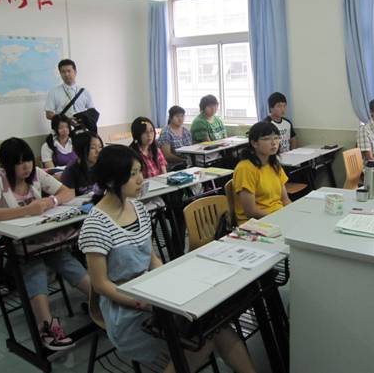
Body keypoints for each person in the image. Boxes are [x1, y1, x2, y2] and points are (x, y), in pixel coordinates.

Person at [78, 145, 257, 372]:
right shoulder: (96, 224)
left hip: (152, 296)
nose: (141, 179)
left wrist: (169, 286)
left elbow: (151, 258)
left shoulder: (138, 208)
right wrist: (139, 302)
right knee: (204, 336)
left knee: (215, 325)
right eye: (133, 174)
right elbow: (101, 284)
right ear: (112, 181)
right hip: (125, 312)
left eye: (140, 171)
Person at [0, 137, 90, 350]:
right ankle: (45, 325)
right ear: (8, 165)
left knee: (62, 256)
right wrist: (27, 210)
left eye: (28, 160)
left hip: (32, 238)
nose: (27, 166)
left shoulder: (36, 174)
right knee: (33, 264)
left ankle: (101, 300)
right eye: (20, 163)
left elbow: (67, 192)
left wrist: (51, 201)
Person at [233, 121, 291, 224]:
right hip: (255, 223)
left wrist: (293, 213)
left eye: (276, 138)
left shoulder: (274, 164)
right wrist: (278, 219)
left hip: (278, 216)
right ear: (254, 143)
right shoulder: (245, 168)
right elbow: (251, 211)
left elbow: (285, 199)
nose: (274, 143)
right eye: (267, 139)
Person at [60, 131, 103, 197]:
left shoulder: (103, 165)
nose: (98, 151)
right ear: (80, 150)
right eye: (93, 148)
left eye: (100, 147)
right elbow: (66, 197)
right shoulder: (71, 171)